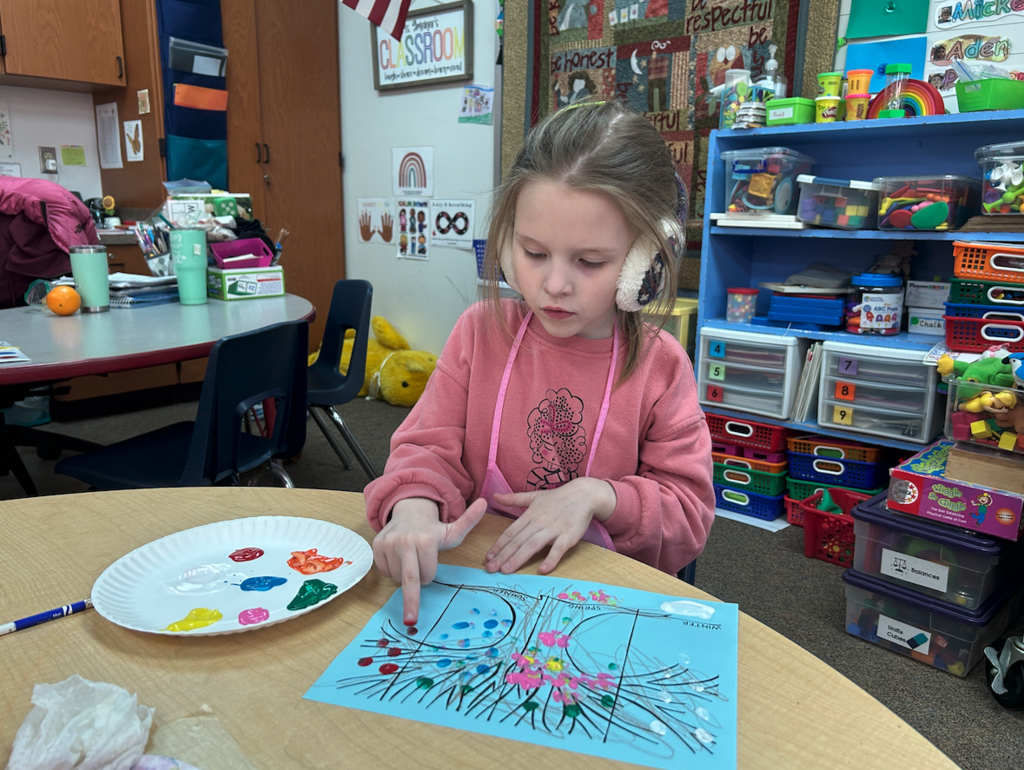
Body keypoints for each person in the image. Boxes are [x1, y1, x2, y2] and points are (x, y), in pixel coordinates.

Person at [365, 99, 715, 625]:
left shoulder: (661, 367)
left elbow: (686, 515)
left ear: (646, 262)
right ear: (506, 246)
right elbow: (426, 448)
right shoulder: (480, 332)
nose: (554, 285)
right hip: (480, 594)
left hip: (600, 610)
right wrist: (414, 502)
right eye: (532, 253)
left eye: (590, 261)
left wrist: (599, 496)